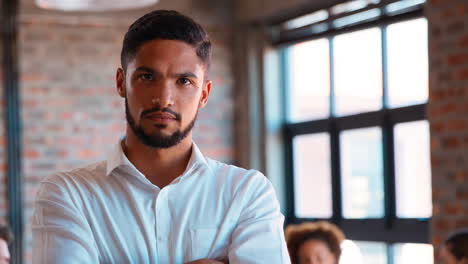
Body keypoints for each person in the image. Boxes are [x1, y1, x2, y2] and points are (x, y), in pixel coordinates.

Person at [31, 9, 289, 264]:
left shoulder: (246, 192)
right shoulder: (68, 193)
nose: (164, 98)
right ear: (121, 82)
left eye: (184, 81)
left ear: (204, 94)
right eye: (147, 76)